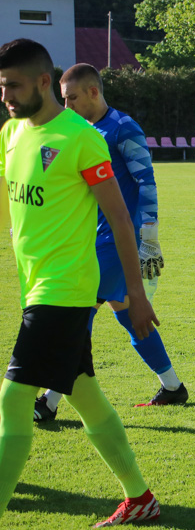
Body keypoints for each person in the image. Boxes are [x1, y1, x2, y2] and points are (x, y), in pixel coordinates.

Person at [0, 39, 160, 525]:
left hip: (66, 290)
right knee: (83, 390)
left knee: (13, 397)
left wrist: (136, 295)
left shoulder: (80, 137)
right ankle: (140, 497)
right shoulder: (10, 133)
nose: (5, 94)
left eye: (13, 85)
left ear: (44, 82)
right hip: (36, 287)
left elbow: (119, 218)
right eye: (1, 85)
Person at [30, 63, 187, 422]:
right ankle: (173, 387)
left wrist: (149, 236)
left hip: (118, 240)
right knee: (130, 315)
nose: (66, 107)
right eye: (62, 100)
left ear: (93, 93)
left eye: (71, 99)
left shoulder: (122, 128)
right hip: (92, 238)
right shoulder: (79, 130)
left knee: (77, 314)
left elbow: (146, 182)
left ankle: (49, 401)